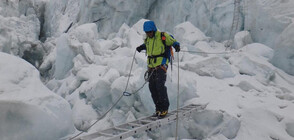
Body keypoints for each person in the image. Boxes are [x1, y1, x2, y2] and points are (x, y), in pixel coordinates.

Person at [136, 21, 180, 119]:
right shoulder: (148, 39)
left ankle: (164, 108)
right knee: (152, 87)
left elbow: (172, 41)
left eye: (150, 32)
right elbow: (146, 45)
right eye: (147, 32)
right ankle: (158, 108)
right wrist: (141, 47)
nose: (149, 34)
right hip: (151, 66)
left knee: (160, 85)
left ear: (153, 30)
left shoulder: (162, 36)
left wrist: (176, 45)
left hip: (161, 64)